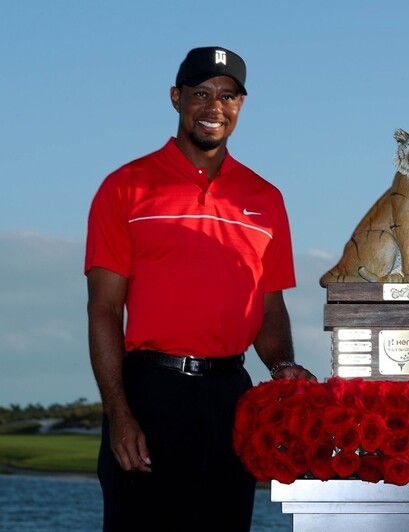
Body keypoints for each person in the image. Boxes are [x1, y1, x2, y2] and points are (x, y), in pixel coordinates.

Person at [85, 46, 316, 532]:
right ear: (177, 98)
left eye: (228, 96)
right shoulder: (125, 187)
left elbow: (268, 305)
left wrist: (280, 365)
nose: (215, 107)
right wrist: (119, 414)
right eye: (202, 94)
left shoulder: (265, 198)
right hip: (149, 394)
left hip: (230, 400)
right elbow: (104, 310)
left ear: (240, 106)